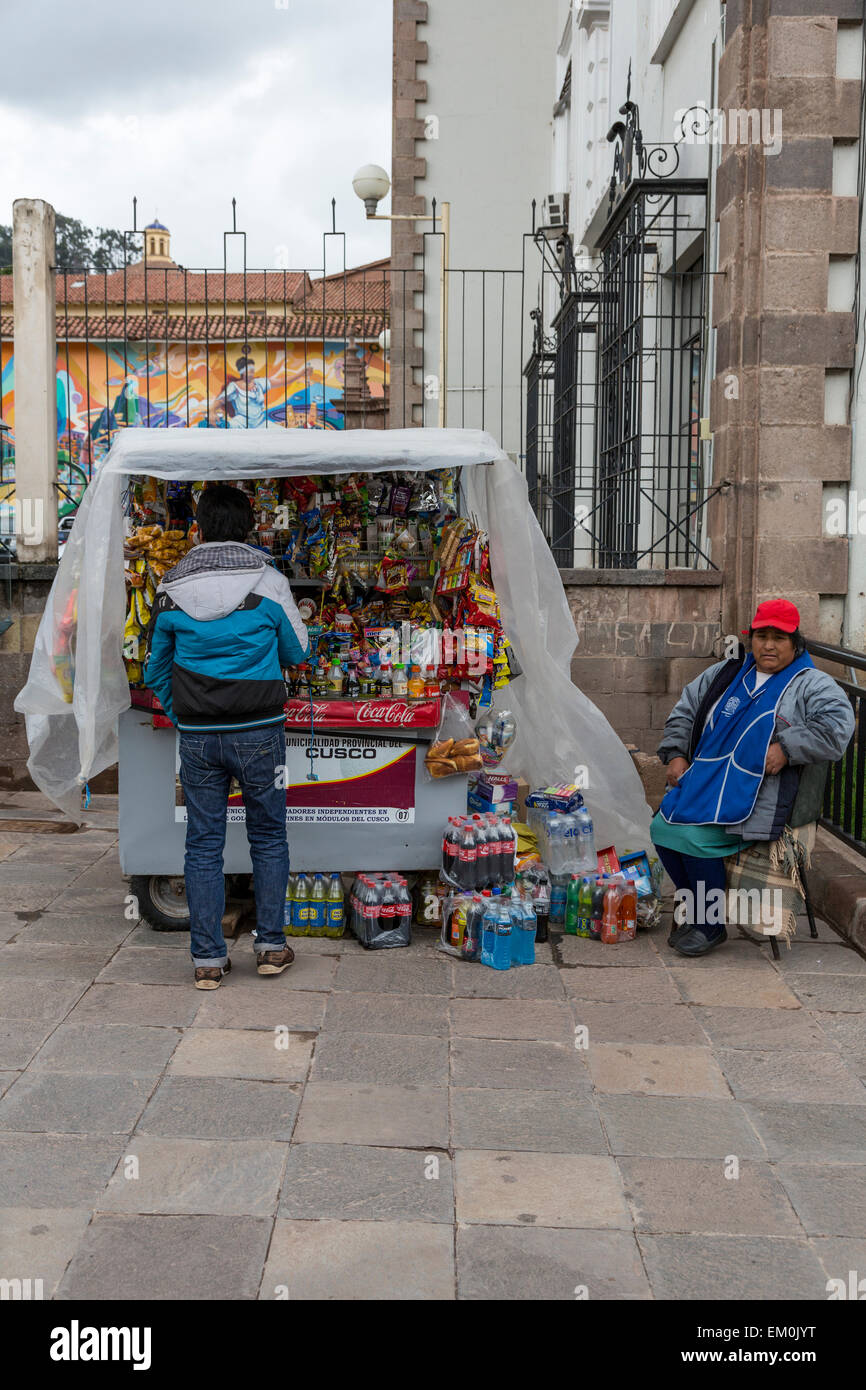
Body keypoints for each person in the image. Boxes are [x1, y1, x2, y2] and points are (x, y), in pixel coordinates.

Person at [144, 484, 309, 988]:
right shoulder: (269, 582)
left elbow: (155, 672)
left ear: (198, 528)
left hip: (198, 738)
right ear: (248, 528)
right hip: (260, 732)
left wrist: (184, 714)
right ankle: (271, 948)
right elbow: (297, 652)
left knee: (202, 843)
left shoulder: (170, 587)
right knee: (268, 837)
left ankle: (208, 961)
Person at [651, 599, 854, 957]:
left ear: (796, 643)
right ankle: (697, 910)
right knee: (662, 829)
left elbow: (838, 729)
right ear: (751, 639)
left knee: (691, 835)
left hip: (762, 793)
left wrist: (787, 747)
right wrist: (677, 754)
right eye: (761, 636)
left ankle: (709, 926)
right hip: (707, 779)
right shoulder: (724, 674)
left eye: (779, 637)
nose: (769, 645)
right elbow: (683, 712)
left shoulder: (811, 684)